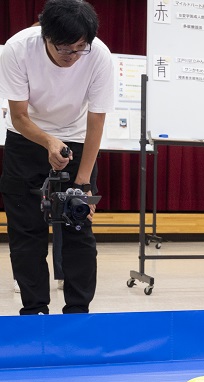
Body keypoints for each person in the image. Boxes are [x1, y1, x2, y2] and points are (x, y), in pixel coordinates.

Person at [0, 0, 114, 315]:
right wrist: (49, 141)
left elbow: (97, 121)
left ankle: (78, 311)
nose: (72, 57)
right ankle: (34, 309)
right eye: (65, 49)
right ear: (45, 36)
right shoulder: (17, 49)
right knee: (26, 229)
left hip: (78, 139)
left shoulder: (99, 56)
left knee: (79, 225)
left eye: (80, 49)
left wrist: (83, 184)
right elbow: (19, 116)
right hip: (25, 138)